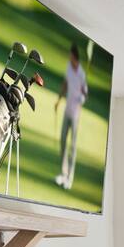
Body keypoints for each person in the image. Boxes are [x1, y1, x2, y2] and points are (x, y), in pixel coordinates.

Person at [55, 43, 88, 189]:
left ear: (75, 57)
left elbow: (85, 93)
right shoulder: (69, 67)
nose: (69, 58)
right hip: (67, 111)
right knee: (63, 140)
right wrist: (58, 100)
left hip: (75, 114)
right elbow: (65, 84)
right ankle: (63, 174)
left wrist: (82, 98)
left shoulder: (81, 74)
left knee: (72, 146)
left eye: (71, 56)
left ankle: (69, 178)